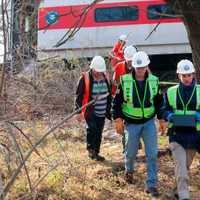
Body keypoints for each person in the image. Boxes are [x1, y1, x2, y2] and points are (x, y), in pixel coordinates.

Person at [112, 51, 164, 197]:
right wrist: (117, 119)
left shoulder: (154, 80)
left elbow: (159, 102)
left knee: (152, 154)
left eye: (143, 67)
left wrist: (161, 119)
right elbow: (116, 102)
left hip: (148, 122)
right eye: (138, 67)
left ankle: (151, 184)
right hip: (131, 124)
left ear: (147, 66)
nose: (140, 70)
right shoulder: (125, 80)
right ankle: (129, 170)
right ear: (133, 67)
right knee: (130, 152)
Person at [164, 59, 200, 200]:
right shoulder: (171, 92)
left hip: (194, 136)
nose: (186, 78)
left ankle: (175, 192)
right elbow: (163, 110)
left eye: (189, 75)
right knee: (181, 169)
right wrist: (168, 115)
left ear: (193, 75)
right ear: (179, 76)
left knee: (183, 169)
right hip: (176, 135)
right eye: (183, 75)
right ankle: (184, 197)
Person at [74, 56, 112, 161]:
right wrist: (77, 112)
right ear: (92, 68)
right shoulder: (85, 78)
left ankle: (96, 152)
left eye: (101, 71)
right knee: (92, 129)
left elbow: (110, 93)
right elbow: (78, 96)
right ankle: (91, 151)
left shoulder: (106, 76)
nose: (99, 73)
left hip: (103, 111)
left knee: (99, 132)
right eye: (97, 71)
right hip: (90, 111)